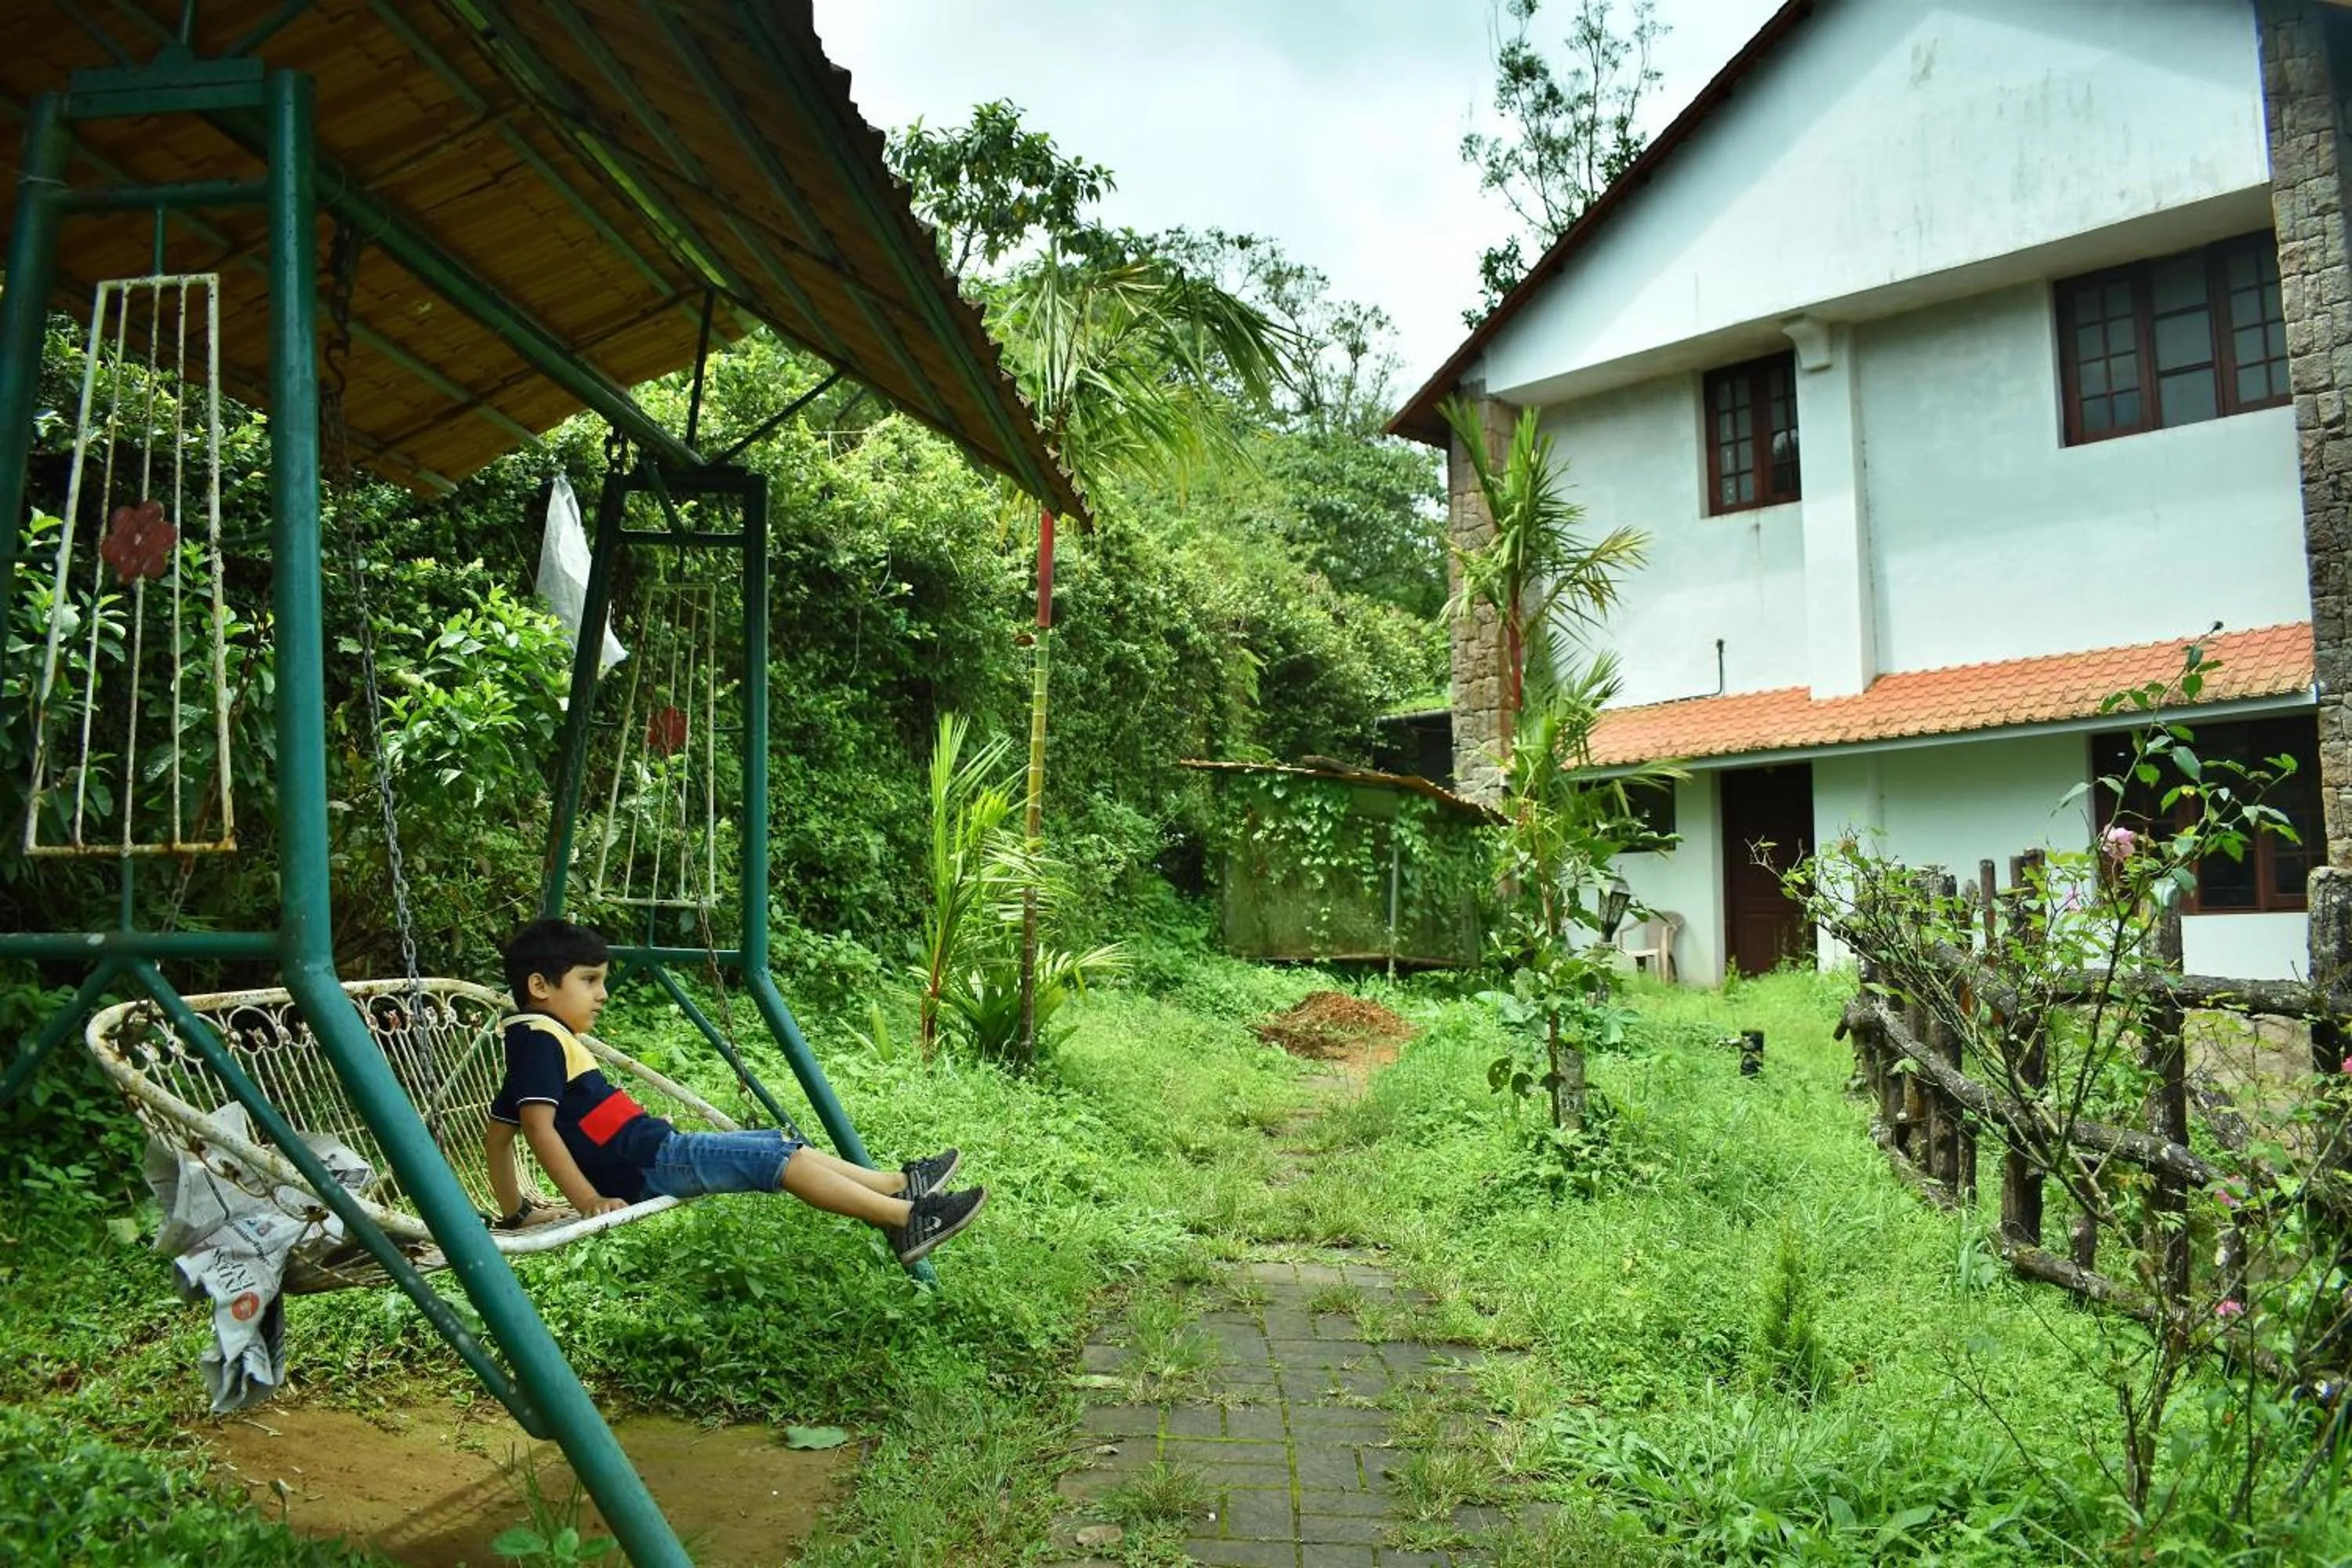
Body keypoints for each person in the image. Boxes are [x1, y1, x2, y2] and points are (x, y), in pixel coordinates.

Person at [484, 918, 985, 1267]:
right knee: (780, 1160)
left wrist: (518, 1213)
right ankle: (904, 1220)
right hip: (652, 1160)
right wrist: (588, 1200)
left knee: (780, 1148)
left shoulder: (536, 1040)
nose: (603, 994)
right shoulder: (539, 1038)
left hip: (653, 1154)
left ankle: (896, 1185)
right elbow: (536, 1128)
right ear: (541, 986)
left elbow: (497, 1137)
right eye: (589, 981)